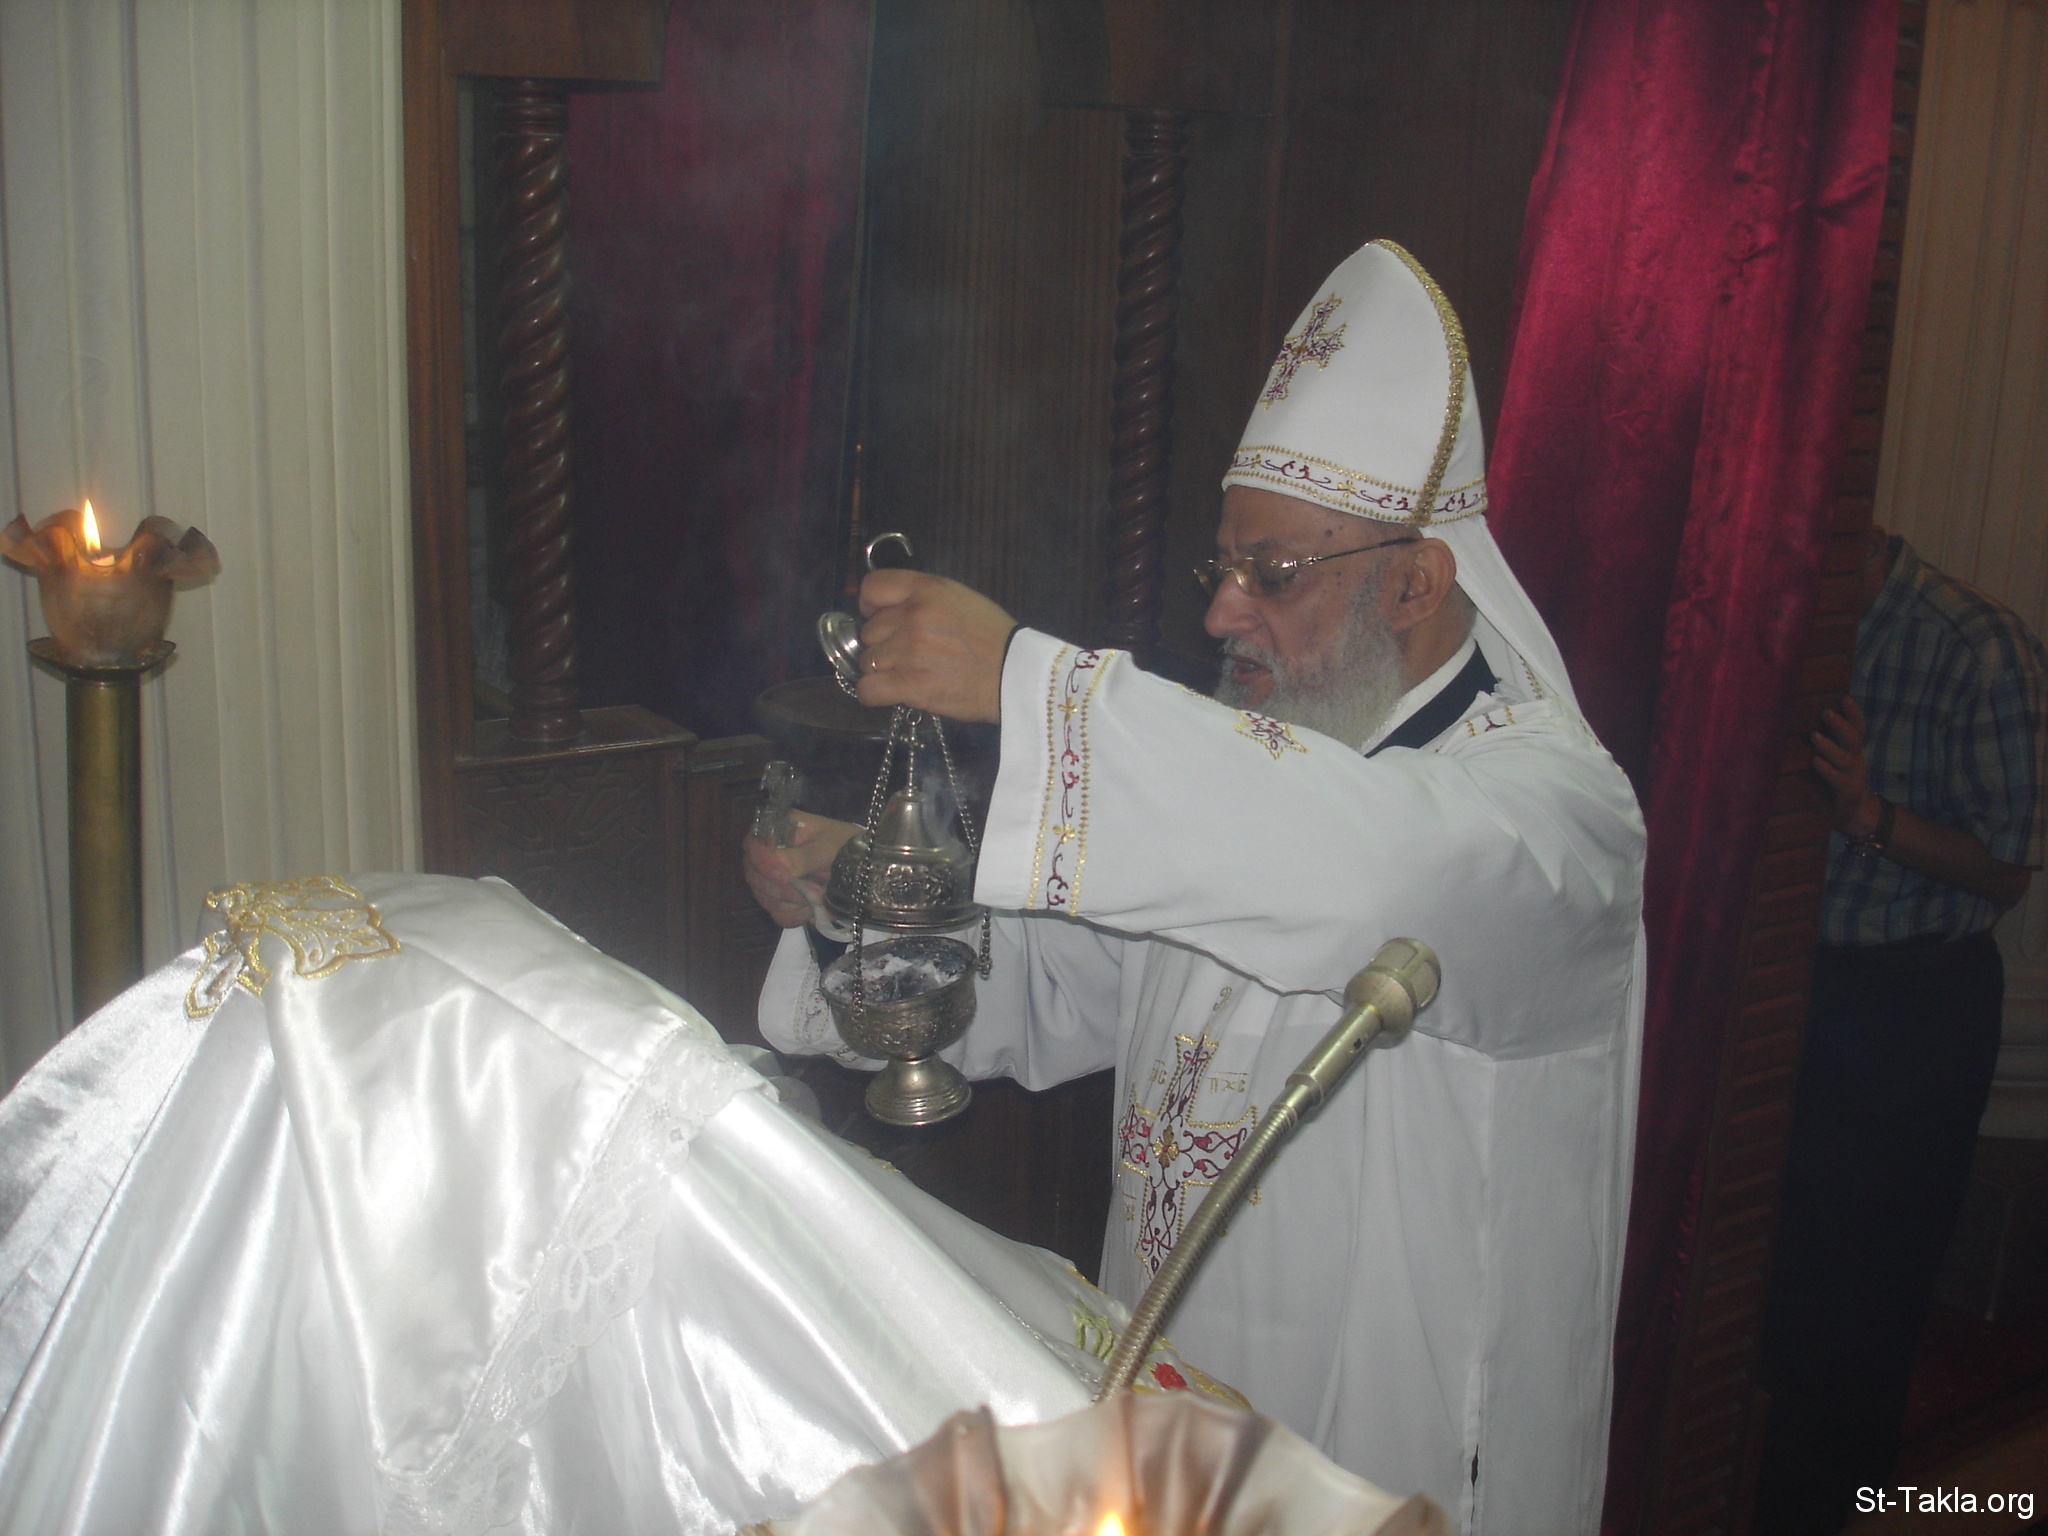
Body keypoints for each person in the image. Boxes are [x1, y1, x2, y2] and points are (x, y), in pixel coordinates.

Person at [748, 240, 1647, 1535]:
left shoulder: (1556, 815)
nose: (1223, 614)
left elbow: (1377, 874)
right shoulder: (1235, 789)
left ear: (1414, 581)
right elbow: (1045, 983)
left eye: (1270, 575)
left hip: (1392, 1456)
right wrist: (860, 896)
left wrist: (1025, 678)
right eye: (1219, 570)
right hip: (1175, 1426)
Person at [1755, 526, 2047, 1534]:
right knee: (1770, 1276)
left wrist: (1867, 815)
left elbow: (2007, 867)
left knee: (1862, 1300)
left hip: (1907, 1005)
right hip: (1785, 986)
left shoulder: (1976, 645)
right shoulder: (1784, 619)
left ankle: (1830, 1510)